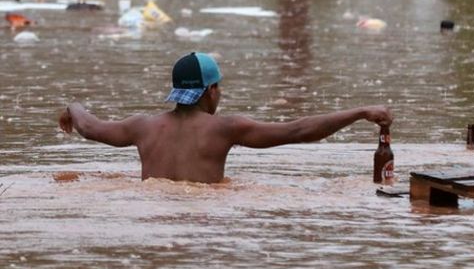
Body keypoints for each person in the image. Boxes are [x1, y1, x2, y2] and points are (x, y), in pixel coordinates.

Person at [58, 51, 393, 183]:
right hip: (206, 218)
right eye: (218, 88)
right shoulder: (225, 128)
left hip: (154, 215)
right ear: (210, 91)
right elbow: (298, 131)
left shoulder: (142, 126)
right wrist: (360, 111)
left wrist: (73, 108)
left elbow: (89, 127)